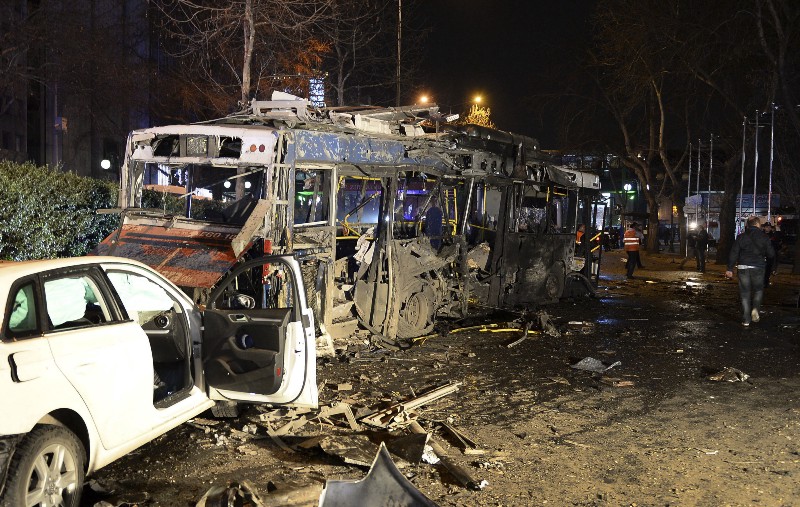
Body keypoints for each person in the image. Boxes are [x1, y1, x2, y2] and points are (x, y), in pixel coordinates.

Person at [726, 216, 775, 327]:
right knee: (758, 290)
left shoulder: (741, 237)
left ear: (748, 225)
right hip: (758, 267)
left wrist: (730, 269)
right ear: (758, 224)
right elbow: (771, 254)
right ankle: (755, 310)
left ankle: (746, 319)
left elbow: (734, 252)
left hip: (743, 267)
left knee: (744, 293)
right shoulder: (764, 237)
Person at [762, 222, 780, 288]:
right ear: (764, 227)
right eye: (767, 227)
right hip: (761, 254)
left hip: (770, 254)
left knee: (768, 268)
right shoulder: (761, 234)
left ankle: (766, 282)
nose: (768, 228)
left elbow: (776, 244)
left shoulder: (773, 235)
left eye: (769, 227)